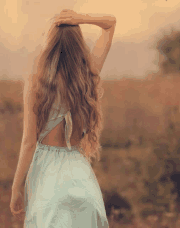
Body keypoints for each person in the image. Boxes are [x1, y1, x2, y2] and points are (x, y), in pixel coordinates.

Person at [10, 9, 116, 228]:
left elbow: (29, 143)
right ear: (79, 43)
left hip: (47, 177)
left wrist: (15, 188)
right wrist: (79, 19)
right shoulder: (88, 74)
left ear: (50, 42)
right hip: (80, 177)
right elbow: (110, 23)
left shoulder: (35, 81)